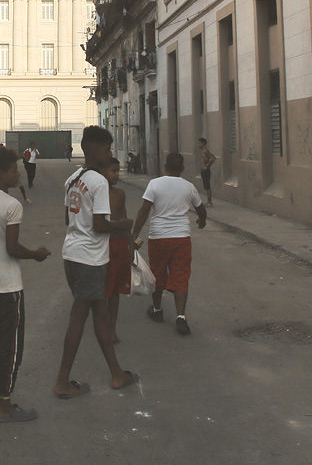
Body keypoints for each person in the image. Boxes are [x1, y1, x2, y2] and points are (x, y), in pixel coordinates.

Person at [53, 125, 139, 398]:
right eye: (107, 149)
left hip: (72, 253)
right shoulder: (99, 182)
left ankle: (117, 373)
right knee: (78, 317)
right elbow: (100, 225)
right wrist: (123, 224)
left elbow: (69, 219)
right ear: (93, 150)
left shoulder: (73, 179)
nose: (110, 153)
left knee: (101, 314)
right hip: (90, 258)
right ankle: (62, 381)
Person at [0, 146, 51, 423]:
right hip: (6, 289)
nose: (18, 174)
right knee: (9, 346)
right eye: (14, 170)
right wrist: (36, 254)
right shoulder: (11, 205)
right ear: (2, 173)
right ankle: (5, 404)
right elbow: (12, 247)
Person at [131, 152, 207, 336]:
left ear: (165, 167)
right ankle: (180, 317)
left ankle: (157, 310)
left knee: (158, 274)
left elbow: (144, 211)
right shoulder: (189, 187)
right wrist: (201, 221)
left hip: (159, 238)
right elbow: (201, 209)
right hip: (181, 238)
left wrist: (134, 235)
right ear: (182, 169)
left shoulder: (155, 184)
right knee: (180, 274)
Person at [102, 156, 131, 344]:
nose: (116, 175)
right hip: (102, 246)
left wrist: (132, 244)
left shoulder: (120, 194)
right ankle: (103, 327)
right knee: (103, 290)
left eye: (117, 171)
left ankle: (112, 328)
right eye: (112, 171)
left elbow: (124, 219)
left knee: (116, 290)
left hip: (119, 245)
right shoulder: (96, 194)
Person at [197, 138, 216, 206]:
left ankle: (209, 202)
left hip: (206, 170)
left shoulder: (205, 151)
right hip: (204, 170)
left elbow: (213, 158)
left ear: (203, 143)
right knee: (206, 185)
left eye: (199, 143)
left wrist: (207, 166)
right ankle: (208, 201)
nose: (198, 145)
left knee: (207, 186)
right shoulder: (203, 151)